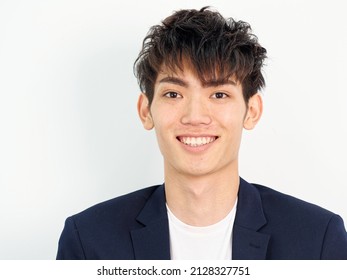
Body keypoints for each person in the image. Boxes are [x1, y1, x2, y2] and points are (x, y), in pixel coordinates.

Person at [56, 7, 347, 260]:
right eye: (173, 94)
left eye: (219, 94)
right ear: (146, 110)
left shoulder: (317, 239)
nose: (195, 117)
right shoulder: (88, 241)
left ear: (252, 110)